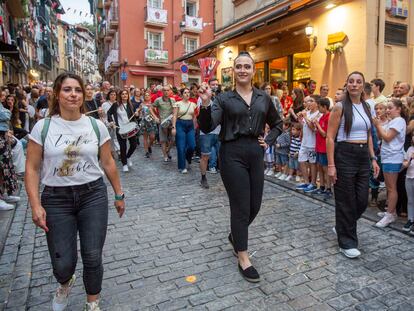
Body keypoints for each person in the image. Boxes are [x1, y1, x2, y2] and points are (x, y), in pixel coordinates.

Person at [25, 73, 125, 311]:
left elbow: (108, 162)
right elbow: (31, 167)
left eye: (77, 90)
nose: (73, 94)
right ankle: (64, 282)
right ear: (57, 94)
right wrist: (35, 204)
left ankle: (92, 303)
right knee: (63, 262)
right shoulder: (43, 127)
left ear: (83, 95)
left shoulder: (96, 125)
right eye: (67, 90)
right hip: (56, 198)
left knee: (92, 255)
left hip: (93, 195)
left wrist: (119, 195)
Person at [198, 51, 282, 283]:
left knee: (255, 204)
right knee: (241, 206)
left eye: (247, 66)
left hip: (255, 152)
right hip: (232, 153)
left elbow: (277, 124)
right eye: (238, 67)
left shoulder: (264, 98)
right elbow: (207, 126)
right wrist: (205, 103)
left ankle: (236, 234)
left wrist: (270, 139)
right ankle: (243, 256)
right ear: (233, 71)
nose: (243, 70)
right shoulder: (224, 99)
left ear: (254, 71)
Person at [327, 71, 380, 259]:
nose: (354, 85)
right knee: (346, 200)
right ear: (347, 85)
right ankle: (347, 243)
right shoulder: (340, 107)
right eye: (351, 81)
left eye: (358, 82)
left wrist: (373, 158)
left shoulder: (366, 107)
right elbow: (330, 137)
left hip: (362, 155)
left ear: (363, 85)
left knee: (361, 201)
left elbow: (368, 134)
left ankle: (342, 225)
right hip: (344, 155)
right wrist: (331, 165)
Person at [373, 98, 407, 228]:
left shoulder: (399, 120)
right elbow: (381, 136)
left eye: (390, 108)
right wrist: (380, 123)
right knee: (389, 187)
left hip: (393, 157)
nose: (387, 110)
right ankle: (390, 211)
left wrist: (377, 125)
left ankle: (390, 215)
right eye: (387, 108)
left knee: (392, 188)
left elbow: (387, 137)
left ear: (398, 109)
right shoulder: (392, 121)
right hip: (388, 157)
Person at [107, 90, 139, 172]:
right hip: (120, 129)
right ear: (120, 96)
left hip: (130, 128)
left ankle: (128, 157)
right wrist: (111, 122)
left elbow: (136, 117)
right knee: (123, 147)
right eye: (122, 94)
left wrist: (137, 115)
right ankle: (124, 164)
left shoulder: (131, 104)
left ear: (128, 95)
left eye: (126, 94)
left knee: (134, 145)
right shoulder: (116, 104)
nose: (124, 95)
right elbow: (109, 113)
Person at [198, 78, 221, 188]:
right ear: (208, 86)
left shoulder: (220, 97)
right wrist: (206, 99)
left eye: (217, 84)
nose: (215, 86)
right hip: (206, 132)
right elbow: (201, 115)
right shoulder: (202, 97)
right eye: (212, 85)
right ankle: (203, 178)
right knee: (205, 156)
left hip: (220, 131)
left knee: (223, 155)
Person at [296, 95, 321, 193]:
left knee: (312, 163)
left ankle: (313, 183)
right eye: (309, 101)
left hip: (312, 143)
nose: (309, 103)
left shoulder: (318, 114)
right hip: (304, 142)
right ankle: (306, 182)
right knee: (301, 160)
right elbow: (304, 125)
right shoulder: (308, 112)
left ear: (316, 103)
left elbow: (313, 128)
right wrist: (300, 118)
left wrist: (305, 117)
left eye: (311, 101)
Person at [171, 88, 197, 173]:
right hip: (180, 124)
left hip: (190, 125)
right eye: (185, 93)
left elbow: (194, 116)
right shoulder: (177, 104)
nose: (187, 94)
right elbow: (174, 116)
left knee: (192, 146)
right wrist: (173, 127)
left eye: (188, 92)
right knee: (181, 146)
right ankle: (182, 167)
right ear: (182, 94)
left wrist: (195, 126)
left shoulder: (193, 104)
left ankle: (187, 157)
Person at [0, 104, 19, 210]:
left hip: (2, 136)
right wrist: (5, 113)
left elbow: (6, 114)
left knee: (5, 167)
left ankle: (4, 193)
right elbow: (5, 115)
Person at [313, 97, 331, 199]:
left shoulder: (328, 117)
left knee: (325, 169)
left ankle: (328, 188)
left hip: (324, 147)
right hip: (319, 146)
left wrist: (317, 125)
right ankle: (322, 186)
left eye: (319, 107)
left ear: (325, 107)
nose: (318, 109)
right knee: (320, 167)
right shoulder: (322, 117)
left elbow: (325, 134)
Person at [151, 85, 175, 162]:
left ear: (170, 91)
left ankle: (168, 151)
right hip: (162, 123)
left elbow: (175, 111)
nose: (166, 92)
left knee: (173, 139)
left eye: (168, 90)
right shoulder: (158, 100)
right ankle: (165, 155)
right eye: (164, 90)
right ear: (162, 92)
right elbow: (151, 108)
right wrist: (155, 117)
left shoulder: (173, 100)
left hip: (171, 123)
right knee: (163, 140)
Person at [101, 90, 120, 159]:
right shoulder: (104, 104)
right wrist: (105, 123)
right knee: (108, 139)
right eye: (111, 94)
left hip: (116, 123)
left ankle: (118, 152)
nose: (113, 96)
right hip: (107, 123)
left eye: (114, 95)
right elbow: (103, 115)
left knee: (116, 138)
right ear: (109, 95)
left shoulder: (118, 104)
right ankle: (110, 152)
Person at [402, 135, 414, 234]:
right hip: (409, 177)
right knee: (410, 200)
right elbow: (405, 162)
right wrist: (407, 162)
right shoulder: (410, 149)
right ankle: (410, 219)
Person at [140, 91, 157, 158]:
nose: (147, 96)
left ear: (150, 96)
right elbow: (140, 113)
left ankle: (149, 145)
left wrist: (153, 108)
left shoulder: (152, 104)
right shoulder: (141, 104)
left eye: (148, 95)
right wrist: (138, 113)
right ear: (144, 97)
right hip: (144, 122)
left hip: (152, 122)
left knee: (152, 137)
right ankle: (146, 151)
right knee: (145, 138)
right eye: (145, 95)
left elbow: (156, 112)